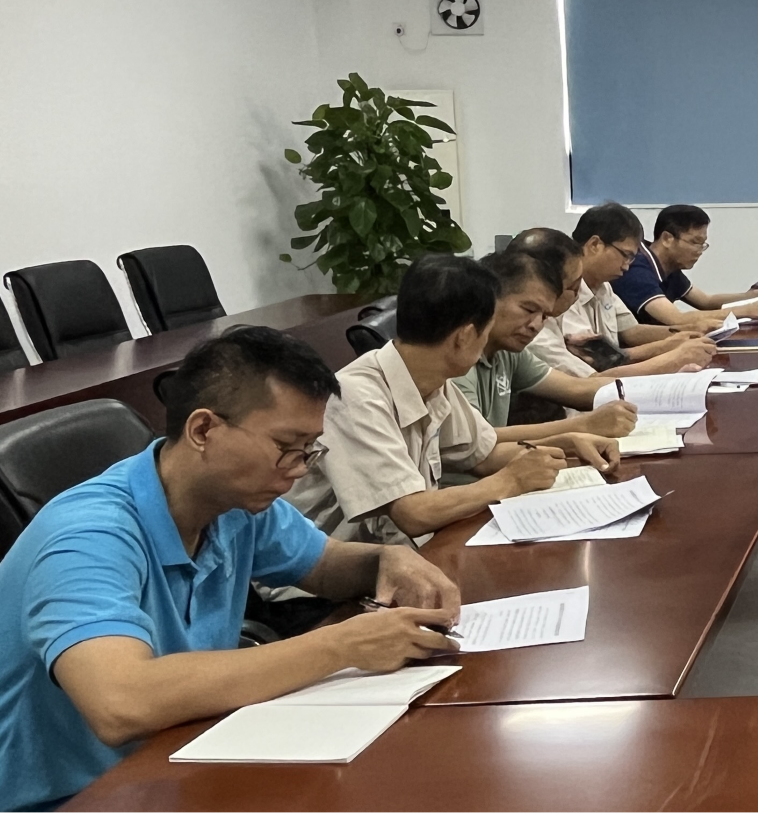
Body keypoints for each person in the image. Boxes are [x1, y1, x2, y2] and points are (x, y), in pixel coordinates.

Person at [0, 328, 460, 811]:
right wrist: (341, 645)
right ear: (203, 430)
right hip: (73, 799)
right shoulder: (87, 536)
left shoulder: (235, 503)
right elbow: (120, 703)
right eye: (286, 445)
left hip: (179, 760)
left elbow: (324, 566)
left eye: (309, 448)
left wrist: (387, 559)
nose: (299, 469)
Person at [284, 254, 619, 547]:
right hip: (331, 582)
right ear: (465, 336)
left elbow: (484, 454)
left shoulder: (432, 381)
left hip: (403, 557)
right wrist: (510, 481)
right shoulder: (356, 396)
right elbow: (412, 513)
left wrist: (566, 443)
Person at [457, 248, 709, 430]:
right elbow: (482, 445)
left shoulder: (509, 353)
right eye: (528, 309)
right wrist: (581, 427)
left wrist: (667, 387)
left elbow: (578, 390)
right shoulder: (460, 357)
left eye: (544, 315)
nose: (535, 325)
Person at [519, 211, 709, 380]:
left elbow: (630, 330)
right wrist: (670, 354)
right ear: (594, 245)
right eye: (625, 255)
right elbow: (596, 369)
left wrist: (683, 334)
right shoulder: (556, 301)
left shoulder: (604, 287)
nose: (627, 265)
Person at [614, 204, 758, 330]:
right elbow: (676, 319)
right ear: (667, 239)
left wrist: (754, 296)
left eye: (703, 244)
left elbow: (706, 302)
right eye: (695, 242)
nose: (699, 251)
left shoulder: (669, 265)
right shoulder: (636, 269)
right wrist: (744, 310)